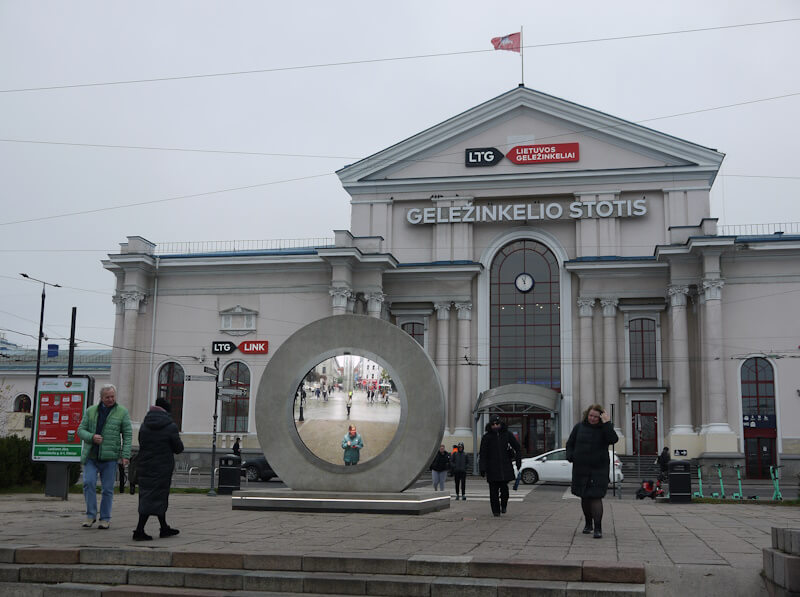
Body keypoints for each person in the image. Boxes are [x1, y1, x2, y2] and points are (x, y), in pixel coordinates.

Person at [77, 384, 132, 529]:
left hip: (110, 458)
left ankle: (105, 518)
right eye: (107, 397)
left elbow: (127, 435)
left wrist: (125, 455)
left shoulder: (122, 412)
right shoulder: (91, 411)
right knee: (88, 483)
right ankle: (90, 515)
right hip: (91, 456)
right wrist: (91, 437)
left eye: (113, 396)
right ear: (101, 398)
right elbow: (80, 430)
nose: (110, 399)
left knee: (107, 489)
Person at [132, 398, 184, 541]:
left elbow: (141, 442)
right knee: (156, 497)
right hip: (162, 468)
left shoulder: (144, 425)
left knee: (150, 496)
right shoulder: (170, 426)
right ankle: (139, 530)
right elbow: (179, 448)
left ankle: (164, 527)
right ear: (167, 411)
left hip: (145, 466)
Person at [565, 403, 619, 539]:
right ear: (586, 415)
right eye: (591, 415)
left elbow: (613, 439)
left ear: (600, 417)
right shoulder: (579, 427)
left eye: (596, 416)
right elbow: (570, 443)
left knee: (595, 497)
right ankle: (588, 524)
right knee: (584, 496)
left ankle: (598, 528)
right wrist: (570, 456)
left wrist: (607, 423)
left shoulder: (605, 428)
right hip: (581, 467)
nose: (593, 418)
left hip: (598, 468)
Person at [479, 416, 521, 516]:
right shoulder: (487, 437)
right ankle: (496, 511)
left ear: (501, 424)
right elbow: (483, 454)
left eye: (497, 424)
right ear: (490, 425)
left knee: (504, 491)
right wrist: (482, 468)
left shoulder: (507, 435)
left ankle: (504, 505)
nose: (495, 426)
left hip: (505, 468)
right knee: (493, 492)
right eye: (493, 424)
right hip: (492, 468)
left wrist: (518, 461)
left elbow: (517, 448)